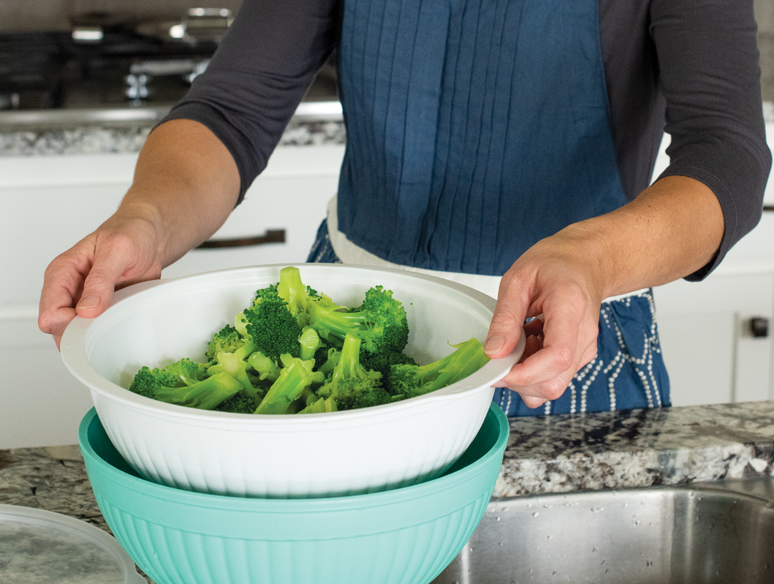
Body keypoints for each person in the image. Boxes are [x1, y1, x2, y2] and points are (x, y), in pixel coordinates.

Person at [38, 0, 771, 416]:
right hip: (349, 328)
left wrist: (591, 257)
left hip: (568, 347)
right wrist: (148, 221)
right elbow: (235, 108)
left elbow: (728, 154)